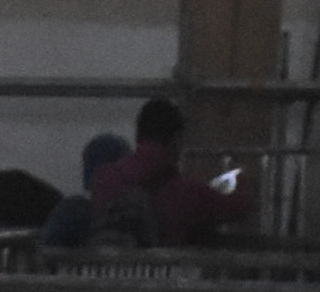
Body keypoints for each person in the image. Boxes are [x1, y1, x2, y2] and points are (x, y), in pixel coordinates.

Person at [83, 96, 252, 246]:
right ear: (176, 140)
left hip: (109, 270)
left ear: (138, 135)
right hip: (163, 271)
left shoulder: (104, 178)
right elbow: (237, 207)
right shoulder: (185, 193)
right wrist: (245, 179)